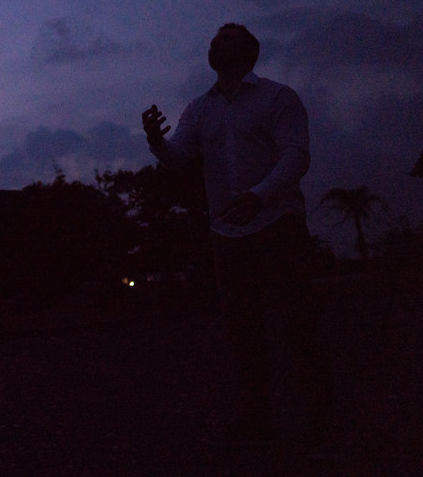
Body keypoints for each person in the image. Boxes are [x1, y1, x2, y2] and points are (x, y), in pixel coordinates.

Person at [142, 23, 331, 446]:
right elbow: (179, 156)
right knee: (243, 331)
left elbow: (296, 155)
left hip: (276, 223)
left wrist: (259, 197)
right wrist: (157, 141)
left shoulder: (277, 98)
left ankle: (321, 415)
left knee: (298, 323)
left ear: (249, 51)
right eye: (213, 39)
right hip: (226, 233)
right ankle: (259, 419)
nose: (214, 42)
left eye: (226, 37)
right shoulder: (200, 108)